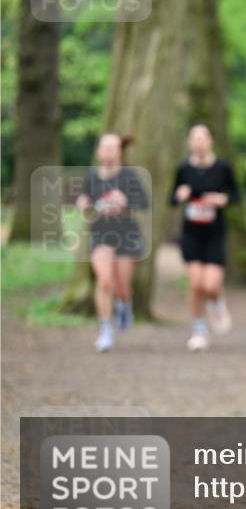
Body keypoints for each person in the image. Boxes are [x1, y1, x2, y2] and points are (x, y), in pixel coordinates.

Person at [75, 133, 150, 353]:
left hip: (127, 235)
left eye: (113, 148)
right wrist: (83, 203)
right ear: (98, 152)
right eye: (105, 148)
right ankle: (105, 331)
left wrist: (126, 201)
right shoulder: (92, 176)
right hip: (101, 234)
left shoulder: (130, 176)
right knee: (105, 281)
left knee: (122, 286)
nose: (109, 152)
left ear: (120, 152)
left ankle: (125, 305)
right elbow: (85, 200)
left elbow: (144, 202)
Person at [170, 124, 238, 352]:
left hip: (214, 234)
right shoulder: (183, 169)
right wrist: (180, 196)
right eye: (195, 138)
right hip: (191, 234)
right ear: (190, 142)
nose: (199, 142)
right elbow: (172, 197)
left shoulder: (222, 167)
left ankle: (217, 302)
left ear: (211, 141)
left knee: (211, 285)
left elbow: (235, 195)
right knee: (196, 283)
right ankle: (198, 329)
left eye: (203, 138)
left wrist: (222, 199)